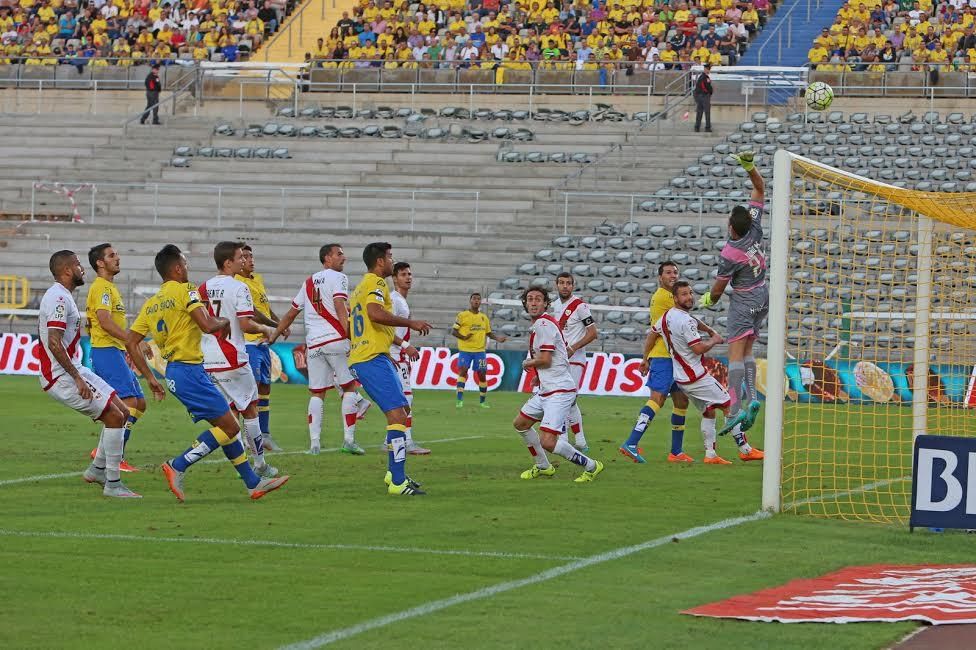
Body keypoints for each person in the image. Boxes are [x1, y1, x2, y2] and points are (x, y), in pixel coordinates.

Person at [125, 244, 290, 501]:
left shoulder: (152, 304)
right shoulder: (186, 290)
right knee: (230, 426)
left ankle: (253, 483)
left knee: (224, 427)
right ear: (178, 268)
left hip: (176, 373)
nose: (188, 269)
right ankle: (177, 465)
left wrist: (149, 378)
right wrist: (225, 322)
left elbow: (131, 342)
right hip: (190, 371)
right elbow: (208, 324)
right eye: (186, 264)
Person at [39, 250, 139, 498]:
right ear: (66, 270)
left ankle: (97, 470)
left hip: (74, 367)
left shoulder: (65, 297)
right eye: (77, 265)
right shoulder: (58, 299)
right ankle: (113, 484)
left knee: (124, 412)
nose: (82, 268)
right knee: (115, 418)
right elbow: (54, 342)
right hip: (60, 375)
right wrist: (76, 377)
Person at [620, 261, 728, 464]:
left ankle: (676, 452)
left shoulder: (668, 297)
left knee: (681, 402)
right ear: (660, 277)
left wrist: (645, 359)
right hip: (664, 357)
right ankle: (631, 443)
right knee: (657, 399)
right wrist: (711, 332)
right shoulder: (665, 297)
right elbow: (683, 322)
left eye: (675, 272)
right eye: (668, 273)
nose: (673, 275)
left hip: (674, 359)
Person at [347, 242, 433, 495]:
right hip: (370, 358)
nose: (392, 262)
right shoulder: (376, 283)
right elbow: (374, 313)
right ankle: (397, 482)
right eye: (390, 257)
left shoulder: (361, 287)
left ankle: (393, 473)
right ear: (380, 261)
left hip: (374, 355)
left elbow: (355, 323)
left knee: (402, 409)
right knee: (397, 415)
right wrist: (411, 323)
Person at [271, 244, 371, 455]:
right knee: (349, 388)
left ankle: (314, 444)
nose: (344, 257)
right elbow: (339, 306)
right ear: (327, 258)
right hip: (335, 339)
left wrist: (274, 334)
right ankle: (349, 440)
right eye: (339, 254)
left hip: (314, 343)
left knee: (317, 393)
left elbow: (291, 313)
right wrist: (349, 334)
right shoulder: (338, 278)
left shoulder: (308, 282)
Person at [650, 281, 763, 461]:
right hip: (696, 376)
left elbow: (652, 333)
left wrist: (644, 358)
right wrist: (714, 340)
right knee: (729, 405)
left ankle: (710, 455)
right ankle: (746, 450)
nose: (689, 297)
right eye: (684, 294)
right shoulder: (685, 321)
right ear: (675, 298)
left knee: (709, 411)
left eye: (690, 293)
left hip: (681, 378)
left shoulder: (667, 317)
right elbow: (698, 349)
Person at [699, 150, 766, 441]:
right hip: (763, 295)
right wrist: (749, 167)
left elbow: (717, 289)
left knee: (735, 354)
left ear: (730, 226)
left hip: (743, 300)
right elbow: (760, 188)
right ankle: (752, 396)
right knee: (749, 350)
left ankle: (736, 405)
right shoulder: (754, 226)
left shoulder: (730, 252)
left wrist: (709, 301)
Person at [199, 242, 280, 479]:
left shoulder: (202, 288)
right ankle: (259, 464)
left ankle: (241, 465)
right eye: (239, 258)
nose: (243, 261)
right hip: (233, 358)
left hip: (209, 360)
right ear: (227, 263)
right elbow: (245, 323)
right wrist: (264, 329)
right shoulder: (238, 287)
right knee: (251, 410)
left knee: (229, 416)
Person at [512, 286, 605, 482]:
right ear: (525, 304)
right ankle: (543, 466)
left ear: (546, 303)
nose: (534, 302)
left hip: (559, 390)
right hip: (548, 389)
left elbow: (545, 359)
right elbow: (550, 358)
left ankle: (591, 465)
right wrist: (538, 375)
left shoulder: (544, 324)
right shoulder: (541, 324)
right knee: (521, 424)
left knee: (548, 441)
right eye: (530, 299)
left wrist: (528, 363)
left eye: (538, 299)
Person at [84, 243, 143, 473]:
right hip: (106, 350)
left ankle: (105, 453)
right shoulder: (101, 288)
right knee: (127, 403)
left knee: (139, 402)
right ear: (100, 263)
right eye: (111, 255)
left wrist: (126, 347)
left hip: (115, 350)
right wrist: (132, 340)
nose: (118, 258)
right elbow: (105, 322)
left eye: (117, 254)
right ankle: (111, 458)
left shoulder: (109, 287)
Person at [236, 244, 284, 452]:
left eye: (251, 256)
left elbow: (264, 306)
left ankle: (264, 434)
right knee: (250, 391)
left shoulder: (257, 280)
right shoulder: (238, 282)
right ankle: (245, 437)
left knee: (264, 389)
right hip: (248, 342)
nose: (250, 260)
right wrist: (276, 326)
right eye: (245, 256)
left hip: (262, 344)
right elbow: (253, 312)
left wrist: (277, 320)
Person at [550, 272, 597, 452]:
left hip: (575, 360)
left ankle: (563, 438)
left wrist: (572, 348)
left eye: (568, 283)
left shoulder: (580, 306)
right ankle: (580, 442)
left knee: (565, 398)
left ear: (573, 286)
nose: (564, 286)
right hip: (558, 360)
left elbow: (593, 333)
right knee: (568, 400)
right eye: (561, 283)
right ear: (556, 285)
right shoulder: (553, 306)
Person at [390, 261, 430, 455]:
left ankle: (392, 439)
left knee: (400, 398)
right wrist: (406, 346)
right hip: (393, 354)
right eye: (404, 274)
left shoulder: (401, 300)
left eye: (409, 274)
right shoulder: (394, 300)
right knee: (406, 397)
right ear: (394, 278)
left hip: (398, 355)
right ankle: (408, 441)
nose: (408, 277)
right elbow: (385, 331)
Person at [451, 292, 507, 408]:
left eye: (478, 299)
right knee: (463, 371)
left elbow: (489, 333)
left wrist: (498, 339)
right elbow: (454, 331)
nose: (476, 301)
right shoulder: (462, 315)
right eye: (474, 299)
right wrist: (464, 337)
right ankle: (459, 400)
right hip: (465, 350)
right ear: (470, 301)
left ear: (480, 302)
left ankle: (482, 402)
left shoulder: (484, 318)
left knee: (482, 374)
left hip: (480, 352)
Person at [693, 62, 713, 132]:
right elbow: (706, 87)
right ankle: (707, 127)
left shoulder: (702, 76)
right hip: (704, 96)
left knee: (699, 112)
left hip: (699, 96)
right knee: (707, 112)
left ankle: (697, 127)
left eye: (708, 69)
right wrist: (710, 92)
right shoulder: (705, 77)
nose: (708, 70)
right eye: (707, 69)